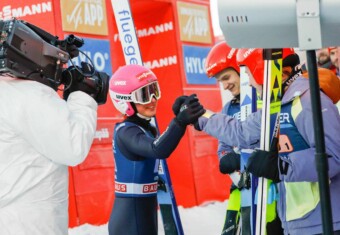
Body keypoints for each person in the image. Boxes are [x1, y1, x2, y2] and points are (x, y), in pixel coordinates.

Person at [195, 48, 340, 235]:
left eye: (248, 74)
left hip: (325, 221)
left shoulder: (307, 100)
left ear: (263, 71)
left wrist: (281, 166)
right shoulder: (278, 105)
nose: (250, 84)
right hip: (297, 220)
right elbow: (241, 132)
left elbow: (333, 156)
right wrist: (198, 116)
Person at [0, 22, 104, 234]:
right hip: (32, 221)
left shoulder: (7, 91)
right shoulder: (31, 95)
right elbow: (74, 146)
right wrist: (83, 95)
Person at [108, 64, 205, 235]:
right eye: (144, 95)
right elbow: (157, 149)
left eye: (154, 90)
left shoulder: (145, 128)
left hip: (143, 210)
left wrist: (180, 115)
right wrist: (179, 121)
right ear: (125, 101)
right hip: (130, 217)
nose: (153, 99)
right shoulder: (126, 131)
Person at [204, 41, 242, 235]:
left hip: (270, 190)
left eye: (226, 77)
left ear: (240, 67)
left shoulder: (265, 101)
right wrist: (226, 158)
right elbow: (223, 146)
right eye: (220, 80)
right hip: (239, 188)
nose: (225, 85)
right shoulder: (228, 109)